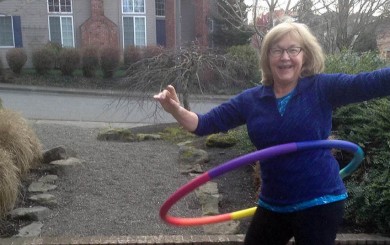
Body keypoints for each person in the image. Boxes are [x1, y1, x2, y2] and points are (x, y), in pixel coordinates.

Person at [154, 21, 390, 245]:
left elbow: (371, 82)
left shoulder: (322, 87)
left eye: (293, 50)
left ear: (304, 55)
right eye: (276, 50)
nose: (285, 57)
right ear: (267, 57)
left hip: (319, 200)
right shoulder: (251, 100)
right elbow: (203, 124)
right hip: (274, 202)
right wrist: (176, 109)